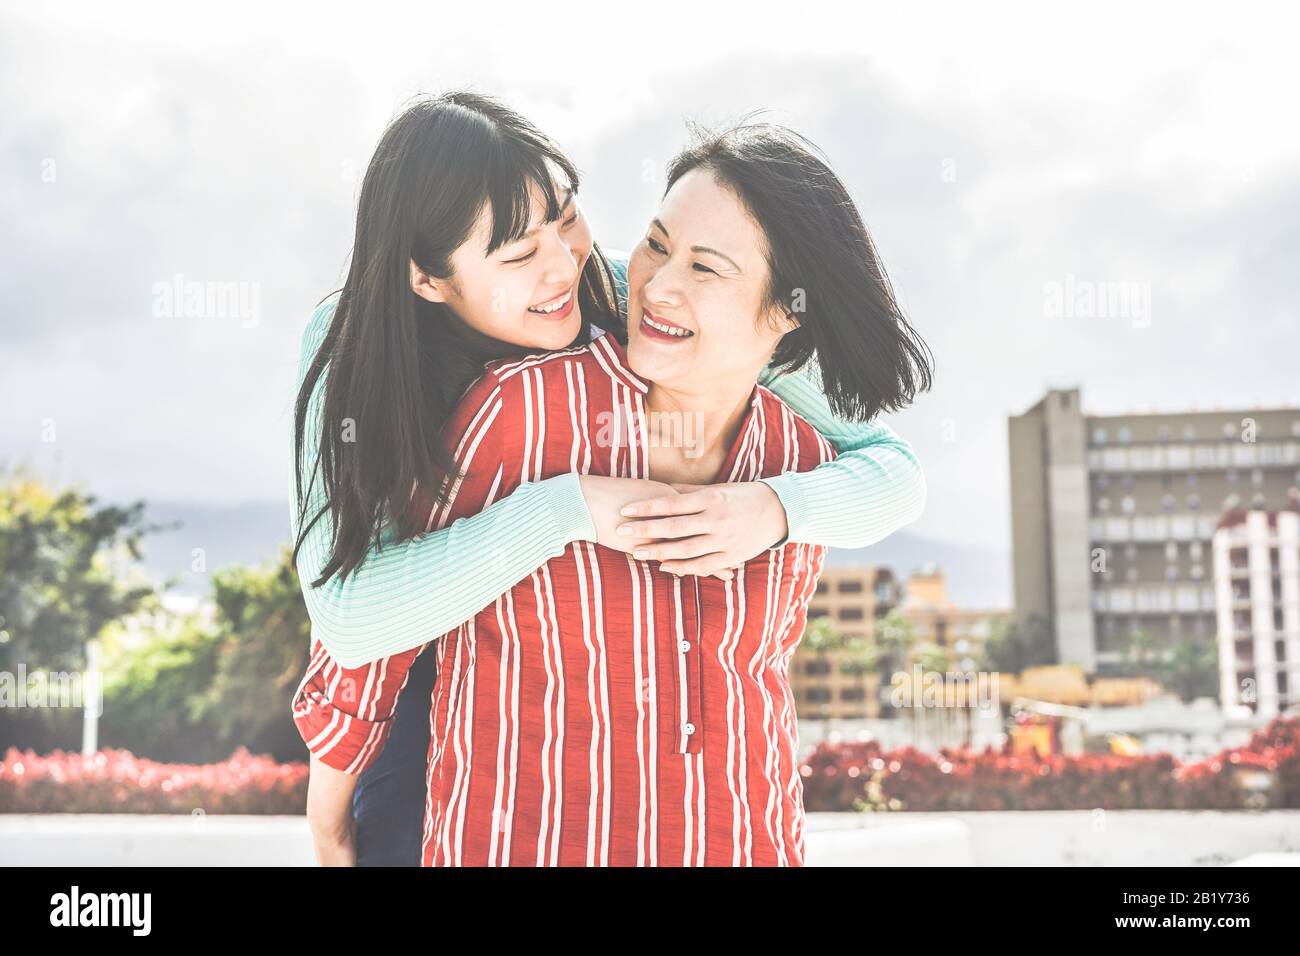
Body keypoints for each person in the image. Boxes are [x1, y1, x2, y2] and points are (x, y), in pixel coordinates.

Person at [292, 119, 933, 865]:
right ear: (427, 278)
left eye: (566, 219)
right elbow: (354, 614)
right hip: (415, 625)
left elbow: (893, 468)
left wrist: (770, 510)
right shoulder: (351, 348)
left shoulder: (634, 293)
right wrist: (568, 505)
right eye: (521, 253)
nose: (563, 266)